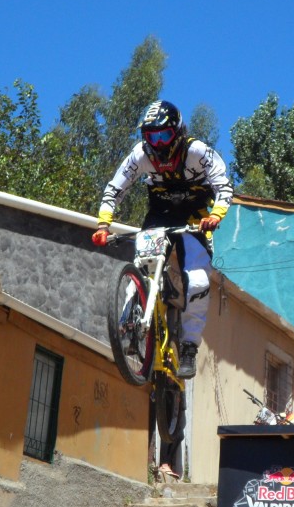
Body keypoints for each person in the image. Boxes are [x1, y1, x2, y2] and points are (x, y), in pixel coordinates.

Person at [92, 100, 233, 379]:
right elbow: (114, 188)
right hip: (159, 217)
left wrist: (216, 216)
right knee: (140, 269)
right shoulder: (139, 155)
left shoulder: (198, 151)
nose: (157, 144)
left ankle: (190, 346)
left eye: (163, 136)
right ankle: (130, 323)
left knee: (199, 280)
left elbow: (223, 185)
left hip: (195, 218)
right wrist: (103, 223)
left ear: (178, 133)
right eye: (150, 136)